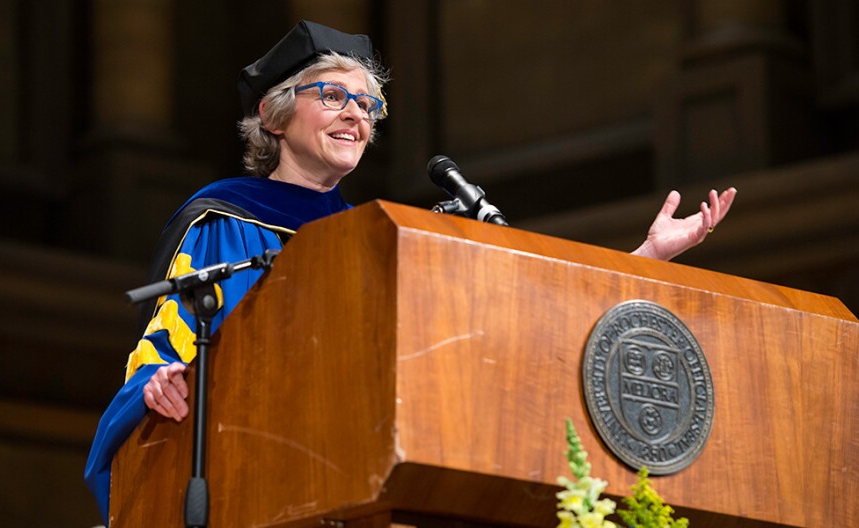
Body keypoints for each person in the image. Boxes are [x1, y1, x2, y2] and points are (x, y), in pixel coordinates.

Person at [83, 19, 736, 524]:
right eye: (333, 96)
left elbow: (513, 336)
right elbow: (161, 352)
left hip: (359, 495)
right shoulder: (222, 221)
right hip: (247, 487)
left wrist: (645, 259)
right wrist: (158, 387)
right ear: (274, 116)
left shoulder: (376, 241)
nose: (356, 115)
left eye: (368, 107)